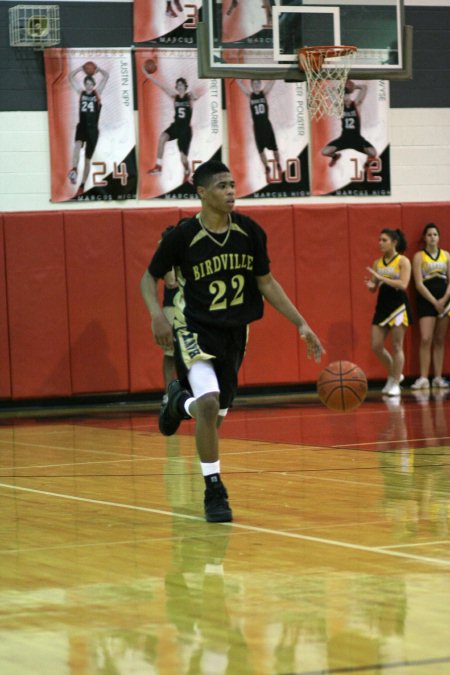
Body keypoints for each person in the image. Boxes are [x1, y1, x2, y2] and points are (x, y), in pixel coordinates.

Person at [141, 159, 324, 523]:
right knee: (209, 406)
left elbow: (266, 283)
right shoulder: (182, 236)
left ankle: (178, 404)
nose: (230, 191)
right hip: (194, 328)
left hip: (235, 333)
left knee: (215, 415)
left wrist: (301, 324)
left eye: (232, 184)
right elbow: (149, 278)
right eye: (222, 185)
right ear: (202, 193)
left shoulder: (249, 232)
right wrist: (157, 314)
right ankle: (214, 489)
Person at [365, 228, 412, 397]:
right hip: (383, 305)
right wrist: (371, 285)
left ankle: (394, 383)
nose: (380, 243)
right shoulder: (377, 263)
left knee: (396, 345)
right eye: (379, 240)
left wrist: (382, 278)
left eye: (384, 240)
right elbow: (373, 286)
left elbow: (403, 284)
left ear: (394, 242)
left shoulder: (403, 261)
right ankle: (396, 375)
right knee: (376, 346)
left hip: (399, 306)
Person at [143, 71, 202, 182]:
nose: (180, 87)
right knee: (162, 137)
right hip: (175, 126)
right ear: (176, 87)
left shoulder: (190, 97)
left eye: (181, 85)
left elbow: (198, 94)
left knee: (183, 159)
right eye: (178, 85)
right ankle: (159, 167)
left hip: (185, 130)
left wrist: (197, 93)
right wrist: (149, 76)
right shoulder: (174, 97)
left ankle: (187, 171)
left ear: (185, 86)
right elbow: (162, 86)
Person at [411, 223, 450, 390]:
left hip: (445, 300)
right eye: (429, 235)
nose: (432, 237)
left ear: (439, 237)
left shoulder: (447, 255)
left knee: (440, 340)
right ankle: (423, 378)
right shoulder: (419, 256)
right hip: (427, 300)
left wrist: (444, 299)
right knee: (426, 338)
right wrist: (435, 302)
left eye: (435, 234)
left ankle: (438, 377)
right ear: (425, 238)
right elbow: (419, 283)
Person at [68, 64, 109, 197]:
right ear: (85, 85)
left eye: (91, 83)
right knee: (77, 145)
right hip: (82, 125)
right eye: (87, 83)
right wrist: (80, 68)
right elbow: (70, 77)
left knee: (87, 160)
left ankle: (82, 184)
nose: (89, 86)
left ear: (93, 84)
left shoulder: (98, 93)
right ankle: (74, 170)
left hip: (93, 130)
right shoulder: (81, 93)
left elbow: (106, 76)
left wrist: (98, 69)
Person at [321, 81, 377, 169]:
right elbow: (329, 91)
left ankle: (368, 162)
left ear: (350, 97)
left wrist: (354, 87)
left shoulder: (357, 104)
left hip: (357, 139)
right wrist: (338, 89)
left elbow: (364, 88)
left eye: (347, 98)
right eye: (343, 98)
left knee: (373, 153)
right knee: (324, 152)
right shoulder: (339, 107)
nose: (345, 99)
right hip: (344, 138)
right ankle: (335, 156)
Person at [236, 79, 282, 182]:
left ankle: (278, 164)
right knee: (261, 151)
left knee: (275, 149)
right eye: (254, 83)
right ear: (251, 85)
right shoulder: (250, 95)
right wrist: (238, 75)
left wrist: (276, 74)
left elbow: (272, 81)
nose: (256, 85)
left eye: (258, 83)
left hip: (266, 125)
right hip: (257, 127)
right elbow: (239, 83)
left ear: (260, 84)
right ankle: (267, 168)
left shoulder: (264, 93)